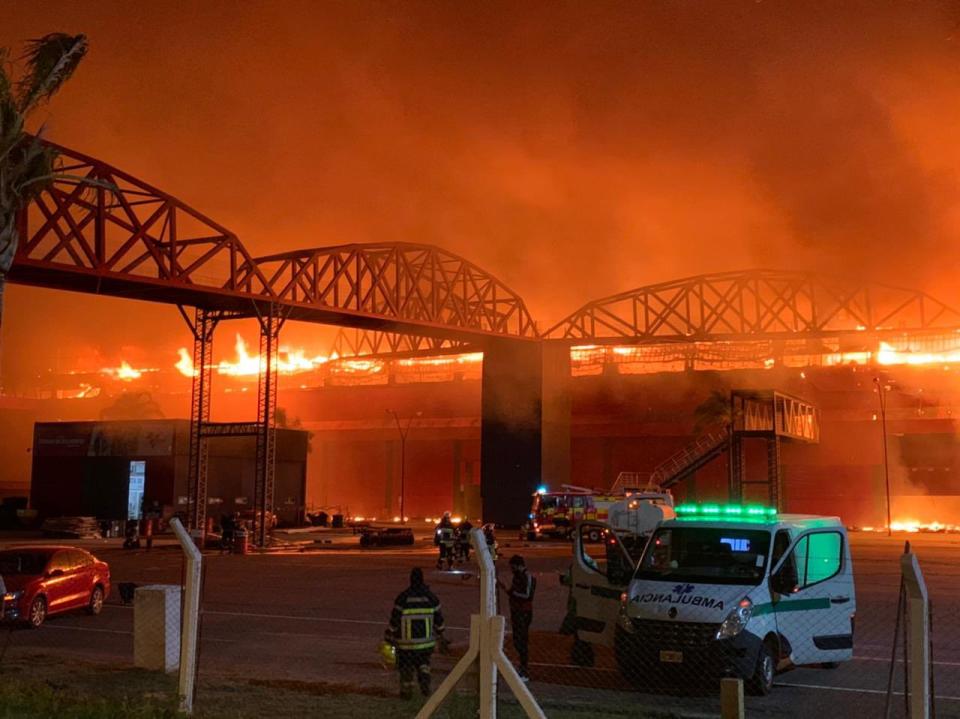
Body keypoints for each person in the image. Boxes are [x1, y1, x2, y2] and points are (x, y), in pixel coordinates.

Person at [387, 567, 447, 699]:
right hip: (425, 643)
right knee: (423, 663)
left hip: (406, 644)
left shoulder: (403, 597)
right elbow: (439, 620)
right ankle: (425, 681)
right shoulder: (431, 598)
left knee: (406, 667)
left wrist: (389, 634)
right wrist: (441, 633)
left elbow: (395, 619)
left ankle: (406, 692)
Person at [498, 554, 536, 681]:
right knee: (517, 640)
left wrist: (510, 592)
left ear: (518, 566)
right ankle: (521, 667)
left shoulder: (528, 577)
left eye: (513, 567)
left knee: (522, 641)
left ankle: (524, 670)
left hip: (523, 613)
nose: (511, 569)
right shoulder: (517, 577)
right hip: (516, 612)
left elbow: (527, 596)